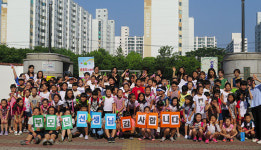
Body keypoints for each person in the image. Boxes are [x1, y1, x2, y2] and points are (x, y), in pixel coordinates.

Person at [248, 75, 261, 144]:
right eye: (248, 82)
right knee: (256, 122)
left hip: (259, 106)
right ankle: (257, 137)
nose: (249, 83)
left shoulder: (258, 87)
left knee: (260, 122)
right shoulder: (250, 89)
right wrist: (249, 90)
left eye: (249, 82)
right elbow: (251, 97)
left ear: (253, 81)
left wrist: (257, 79)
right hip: (253, 107)